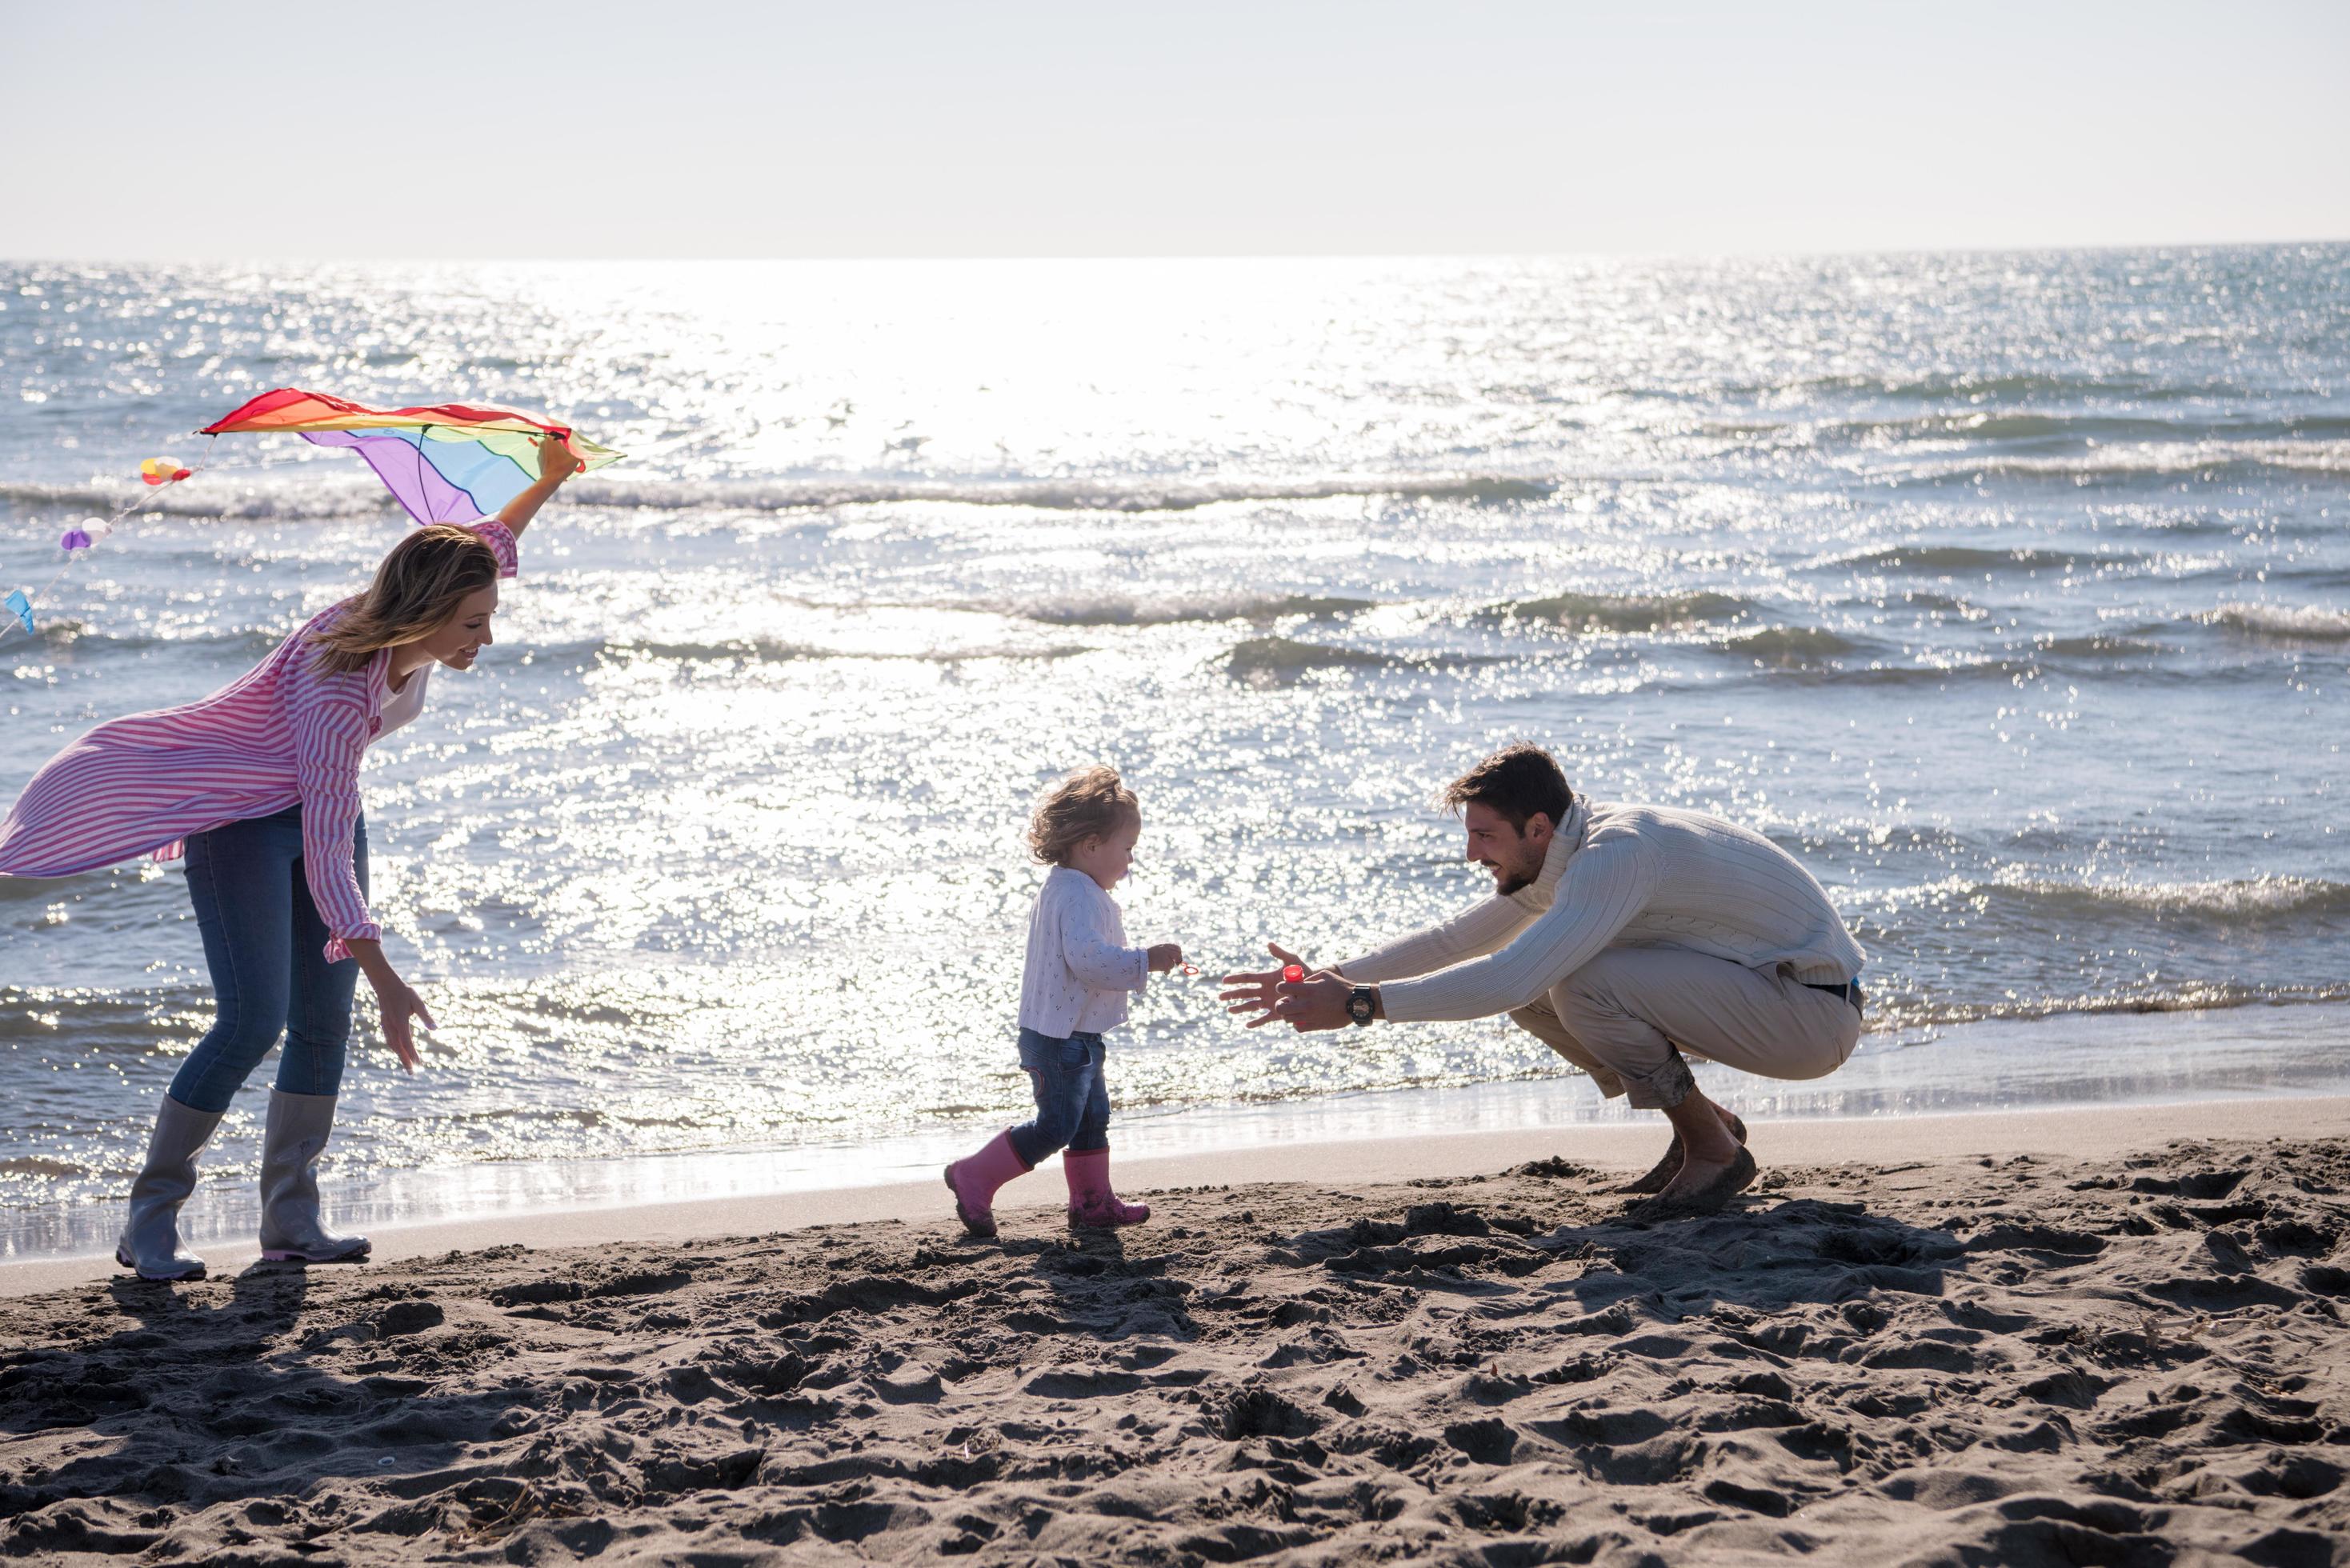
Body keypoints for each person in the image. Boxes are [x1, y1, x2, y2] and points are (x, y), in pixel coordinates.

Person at [0, 435, 583, 1280]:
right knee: (253, 1019)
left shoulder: (434, 592)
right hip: (243, 821)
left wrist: (550, 479)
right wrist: (389, 979)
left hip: (319, 814)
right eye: (473, 623)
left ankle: (291, 1220)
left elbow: (488, 538)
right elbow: (325, 853)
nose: (485, 637)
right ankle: (150, 1219)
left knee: (321, 1023)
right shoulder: (338, 686)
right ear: (424, 616)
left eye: (487, 616)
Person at [1220, 743, 1866, 1216]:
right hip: (1771, 999)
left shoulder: (1614, 857)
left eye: (1483, 835)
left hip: (1809, 1017)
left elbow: (1502, 977)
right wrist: (1327, 979)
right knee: (1546, 987)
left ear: (1536, 828)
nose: (1471, 853)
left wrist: (1360, 1006)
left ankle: (1714, 1152)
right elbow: (1455, 940)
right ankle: (1707, 1126)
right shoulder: (1567, 848)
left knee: (1579, 981)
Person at [943, 766, 1186, 1238]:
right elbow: (1087, 960)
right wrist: (1145, 960)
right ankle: (973, 1174)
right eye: (1127, 849)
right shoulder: (1075, 893)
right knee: (1056, 1125)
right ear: (1091, 845)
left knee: (1092, 1118)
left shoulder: (1072, 885)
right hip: (1057, 1038)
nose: (1131, 862)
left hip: (1074, 1032)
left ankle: (1093, 1204)